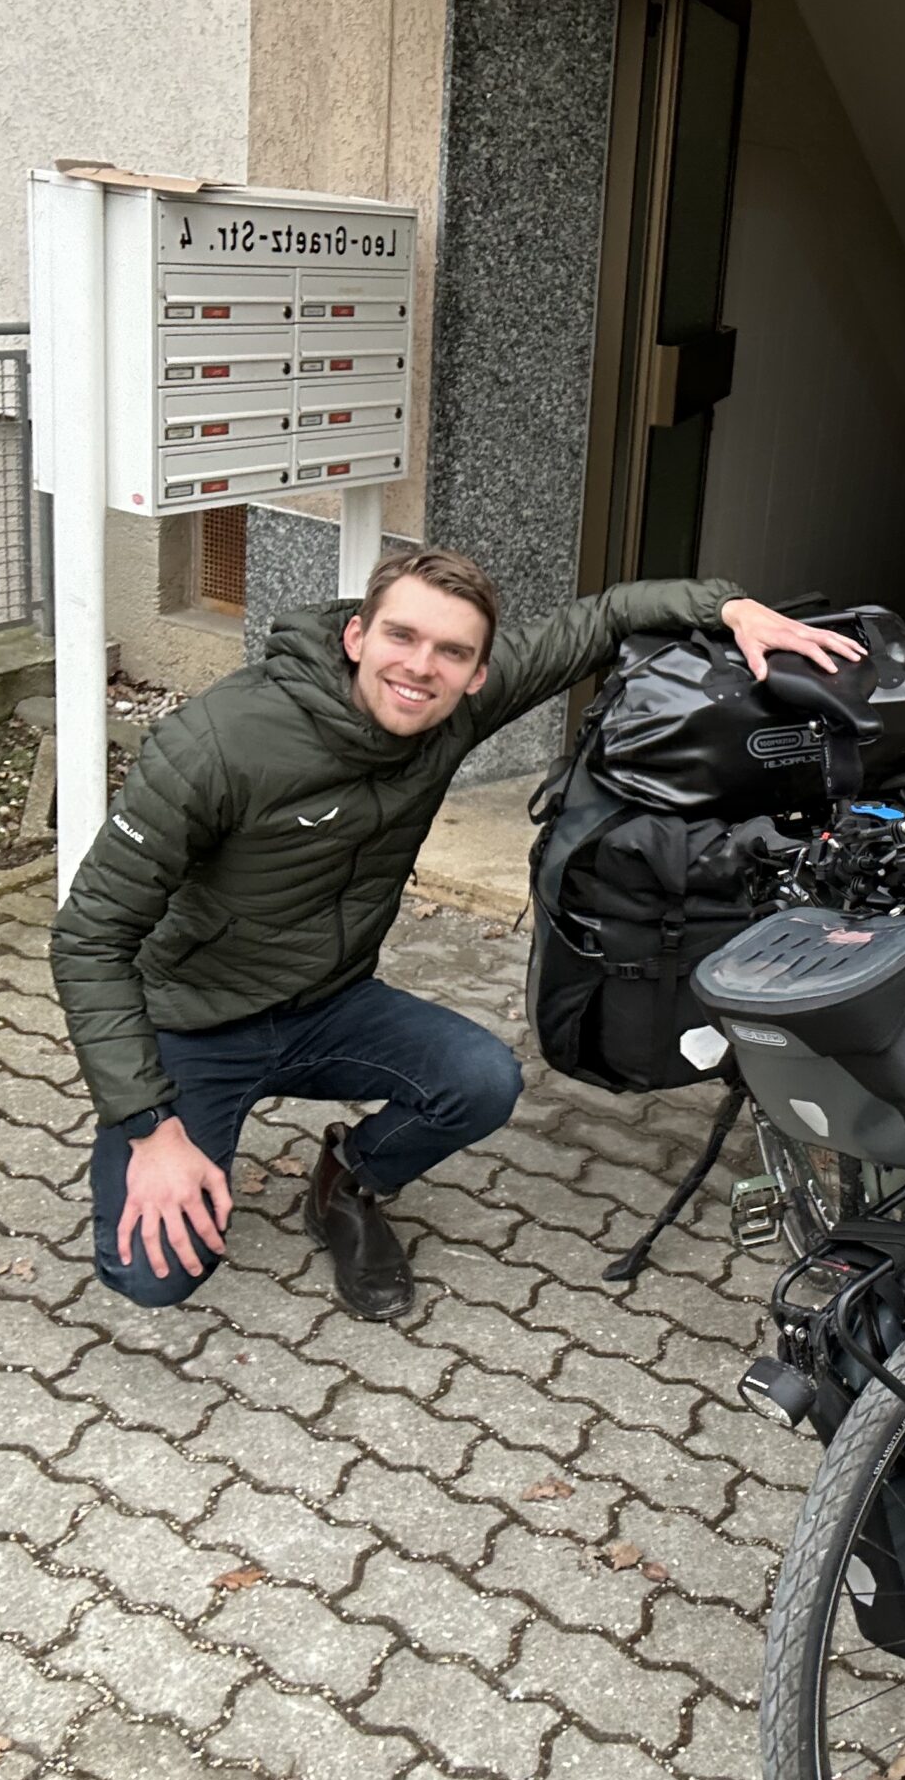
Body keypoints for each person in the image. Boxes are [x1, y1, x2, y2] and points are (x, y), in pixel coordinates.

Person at [51, 549, 857, 1320]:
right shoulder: (217, 744)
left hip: (326, 1006)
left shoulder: (452, 710)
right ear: (356, 636)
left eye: (451, 652)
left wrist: (730, 607)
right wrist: (149, 1126)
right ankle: (168, 1132)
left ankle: (346, 1180)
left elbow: (606, 616)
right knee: (151, 1277)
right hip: (195, 1023)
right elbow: (89, 936)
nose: (420, 666)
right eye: (400, 636)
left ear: (477, 675)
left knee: (480, 1080)